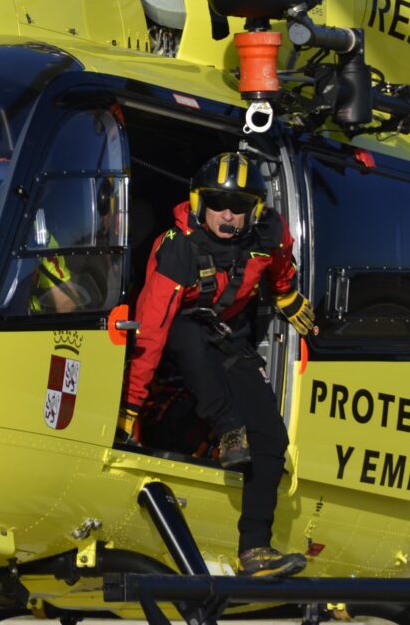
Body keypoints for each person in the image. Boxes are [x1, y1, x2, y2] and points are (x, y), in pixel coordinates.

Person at [117, 151, 315, 578]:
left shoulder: (268, 235)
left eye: (240, 207)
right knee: (184, 335)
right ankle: (228, 431)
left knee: (270, 437)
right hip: (177, 332)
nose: (228, 216)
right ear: (199, 204)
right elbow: (152, 329)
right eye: (219, 204)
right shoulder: (177, 248)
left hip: (226, 336)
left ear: (254, 211)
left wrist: (285, 293)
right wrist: (129, 404)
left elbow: (280, 262)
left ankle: (255, 549)